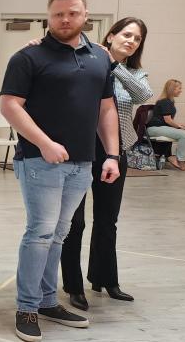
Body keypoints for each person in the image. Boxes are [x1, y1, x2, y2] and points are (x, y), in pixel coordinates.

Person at [0, 0, 120, 342]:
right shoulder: (28, 57)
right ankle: (27, 308)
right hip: (40, 161)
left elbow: (107, 108)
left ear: (86, 16)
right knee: (39, 233)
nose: (65, 19)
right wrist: (45, 143)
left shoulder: (100, 57)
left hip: (83, 163)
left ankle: (49, 301)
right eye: (57, 14)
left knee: (58, 235)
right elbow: (10, 105)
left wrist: (111, 154)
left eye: (72, 13)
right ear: (48, 16)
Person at [61, 17, 152, 310]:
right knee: (75, 222)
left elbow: (143, 95)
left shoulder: (134, 73)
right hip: (81, 150)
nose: (131, 41)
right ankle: (73, 285)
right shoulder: (86, 63)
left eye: (137, 39)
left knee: (107, 220)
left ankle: (106, 279)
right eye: (126, 34)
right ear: (110, 35)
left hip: (115, 152)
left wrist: (114, 66)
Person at [146, 79, 185, 171]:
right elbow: (168, 120)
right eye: (179, 88)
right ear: (172, 89)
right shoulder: (165, 101)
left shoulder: (169, 101)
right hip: (154, 128)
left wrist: (178, 125)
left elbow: (167, 120)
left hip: (160, 127)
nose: (181, 90)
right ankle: (180, 160)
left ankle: (171, 157)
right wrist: (178, 126)